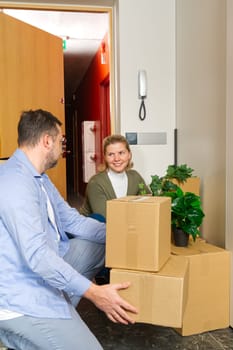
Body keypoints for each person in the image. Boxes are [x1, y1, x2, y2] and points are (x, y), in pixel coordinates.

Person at [0, 109, 137, 350]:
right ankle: (25, 334)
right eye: (61, 141)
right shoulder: (14, 182)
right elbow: (38, 257)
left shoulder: (38, 177)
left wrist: (122, 236)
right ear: (47, 141)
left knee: (97, 244)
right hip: (20, 296)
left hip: (41, 275)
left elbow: (73, 221)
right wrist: (94, 293)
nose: (63, 147)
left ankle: (56, 321)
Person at [80, 134, 150, 220]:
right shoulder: (96, 183)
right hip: (97, 228)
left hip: (126, 225)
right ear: (105, 157)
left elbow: (147, 200)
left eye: (121, 153)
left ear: (129, 155)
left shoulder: (136, 177)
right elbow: (105, 218)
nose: (117, 159)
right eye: (111, 154)